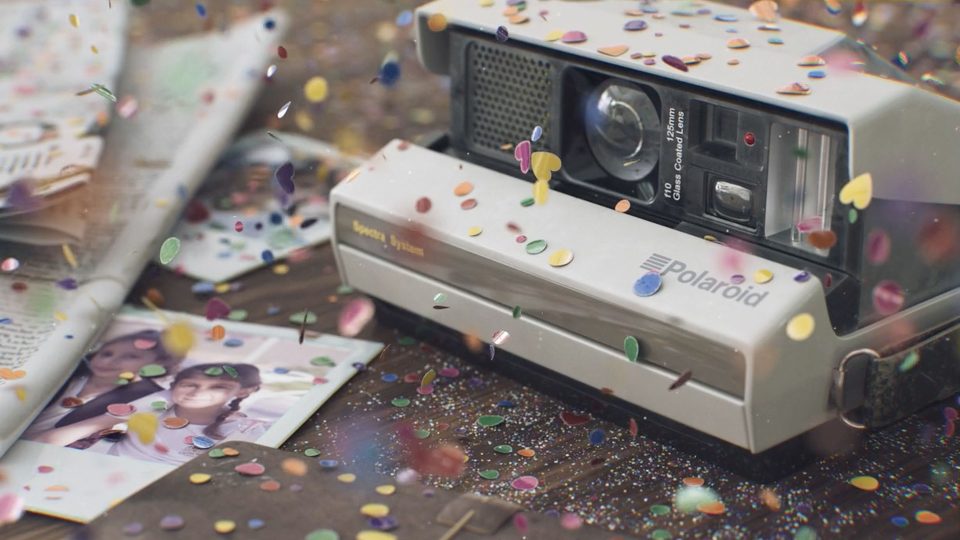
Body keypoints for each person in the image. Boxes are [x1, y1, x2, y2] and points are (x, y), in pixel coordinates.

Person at [35, 363, 267, 465]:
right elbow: (45, 441)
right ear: (172, 387)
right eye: (189, 384)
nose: (199, 392)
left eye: (218, 387)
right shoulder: (151, 409)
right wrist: (163, 398)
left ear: (241, 392)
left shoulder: (244, 429)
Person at [22, 329, 183, 440]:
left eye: (130, 356)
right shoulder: (72, 375)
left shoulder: (147, 398)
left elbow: (51, 439)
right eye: (107, 353)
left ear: (159, 364)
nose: (109, 361)